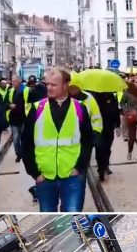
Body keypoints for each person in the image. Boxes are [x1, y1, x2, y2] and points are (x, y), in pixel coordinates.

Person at [21, 67, 93, 212]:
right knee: (49, 219)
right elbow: (26, 143)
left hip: (72, 176)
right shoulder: (37, 109)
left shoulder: (80, 108)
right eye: (47, 84)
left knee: (73, 216)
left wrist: (79, 167)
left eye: (53, 85)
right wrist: (35, 173)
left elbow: (87, 141)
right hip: (45, 177)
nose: (49, 88)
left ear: (66, 85)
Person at [120, 75, 137, 161]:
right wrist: (127, 111)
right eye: (136, 82)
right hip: (131, 116)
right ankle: (130, 152)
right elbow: (122, 103)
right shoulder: (128, 91)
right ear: (133, 83)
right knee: (132, 137)